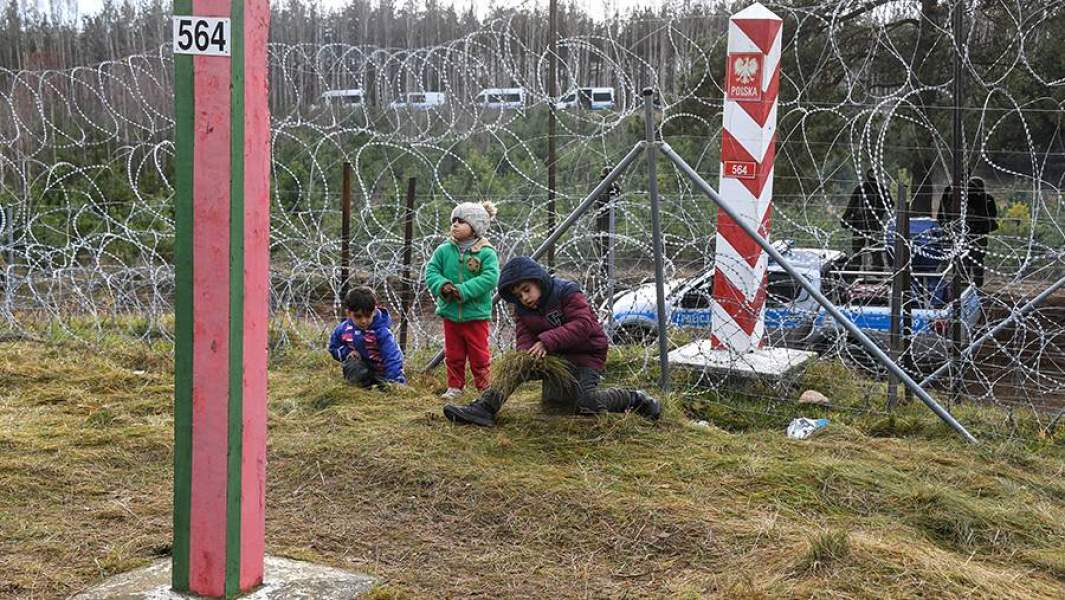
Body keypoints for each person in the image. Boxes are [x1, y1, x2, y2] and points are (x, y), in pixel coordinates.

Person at [442, 256, 661, 427]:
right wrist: (527, 355)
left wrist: (546, 342)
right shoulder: (523, 309)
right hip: (555, 357)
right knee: (518, 368)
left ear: (538, 281)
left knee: (586, 403)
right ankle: (484, 408)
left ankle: (634, 398)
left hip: (585, 356)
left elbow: (583, 325)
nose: (524, 298)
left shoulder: (566, 292)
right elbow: (524, 336)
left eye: (526, 290)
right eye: (519, 295)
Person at [424, 201, 500, 400]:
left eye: (461, 221)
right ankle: (455, 386)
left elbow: (490, 277)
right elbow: (431, 271)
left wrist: (464, 290)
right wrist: (442, 285)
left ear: (475, 227)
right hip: (451, 313)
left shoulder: (486, 252)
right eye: (454, 221)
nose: (455, 225)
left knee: (479, 354)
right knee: (453, 354)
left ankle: (484, 388)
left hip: (475, 314)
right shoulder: (443, 250)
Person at [328, 286, 406, 387]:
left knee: (385, 385)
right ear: (348, 313)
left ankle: (384, 385)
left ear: (374, 311)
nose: (363, 321)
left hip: (382, 373)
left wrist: (395, 383)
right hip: (361, 369)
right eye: (358, 316)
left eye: (368, 316)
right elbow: (333, 347)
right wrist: (347, 352)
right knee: (353, 365)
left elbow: (393, 357)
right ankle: (358, 388)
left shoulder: (382, 332)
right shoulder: (343, 330)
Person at [938, 177, 998, 287]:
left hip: (976, 233)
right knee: (966, 259)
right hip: (966, 232)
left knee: (974, 258)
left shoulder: (986, 199)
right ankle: (965, 283)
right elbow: (945, 214)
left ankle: (972, 284)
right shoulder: (960, 198)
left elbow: (992, 215)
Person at [842, 169, 890, 270]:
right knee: (859, 249)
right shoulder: (862, 188)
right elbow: (851, 205)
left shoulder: (879, 189)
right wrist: (845, 218)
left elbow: (889, 204)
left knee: (873, 249)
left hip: (871, 224)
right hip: (863, 224)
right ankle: (857, 270)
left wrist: (879, 212)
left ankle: (876, 270)